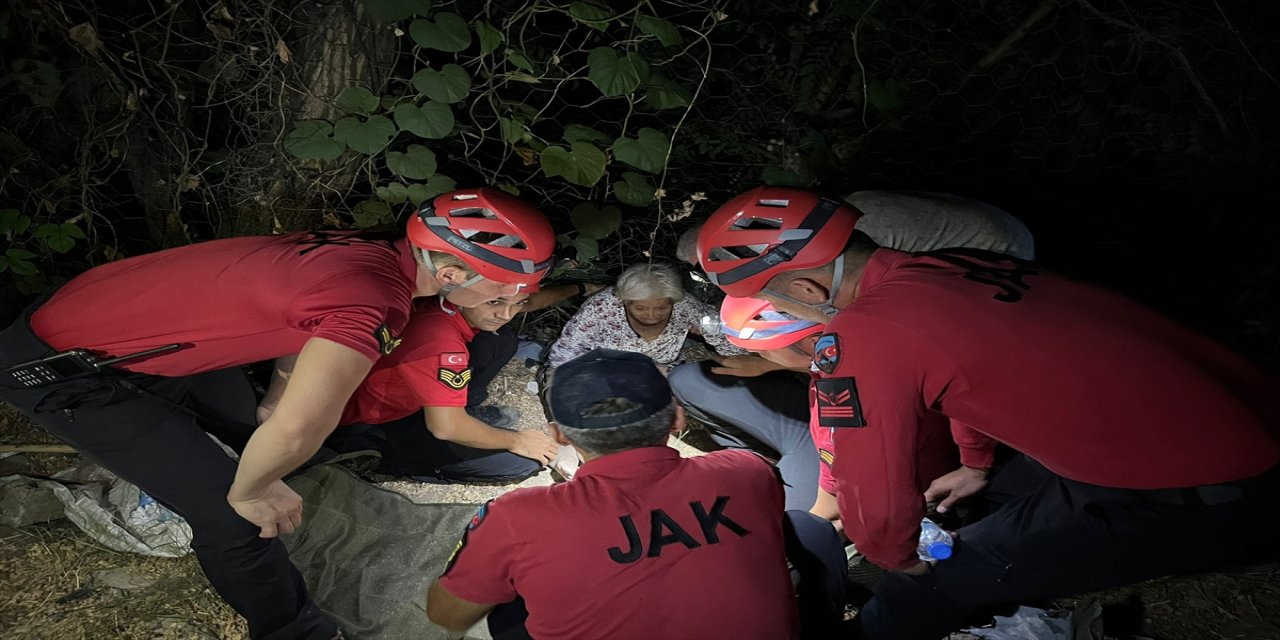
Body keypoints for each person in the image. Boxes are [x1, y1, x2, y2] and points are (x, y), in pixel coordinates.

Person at [696, 186, 1280, 639]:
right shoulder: (954, 265)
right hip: (1220, 419)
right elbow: (967, 378)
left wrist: (893, 556)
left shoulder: (865, 334)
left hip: (1195, 482)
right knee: (983, 503)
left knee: (917, 591)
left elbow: (869, 482)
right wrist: (975, 463)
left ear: (804, 292)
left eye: (769, 297)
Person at [0, 187, 554, 639]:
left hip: (127, 330)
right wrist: (248, 490)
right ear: (453, 273)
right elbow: (301, 427)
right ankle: (294, 630)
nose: (508, 304)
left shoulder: (373, 250)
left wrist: (277, 392)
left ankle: (227, 478)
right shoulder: (374, 296)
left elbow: (307, 326)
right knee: (233, 517)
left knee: (248, 433)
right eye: (505, 290)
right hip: (70, 372)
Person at [670, 189, 1032, 510]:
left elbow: (843, 483)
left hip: (994, 259)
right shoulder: (825, 230)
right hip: (988, 247)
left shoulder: (861, 340)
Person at [425, 349, 803, 640]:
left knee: (509, 609)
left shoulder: (517, 518)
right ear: (678, 419)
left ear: (560, 436)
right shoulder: (746, 471)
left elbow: (447, 615)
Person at [546, 262, 744, 370]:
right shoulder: (601, 307)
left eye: (661, 307)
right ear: (625, 301)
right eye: (640, 308)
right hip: (609, 369)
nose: (652, 315)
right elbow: (565, 353)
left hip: (664, 370)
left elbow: (722, 334)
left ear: (672, 301)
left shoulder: (686, 305)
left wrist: (742, 361)